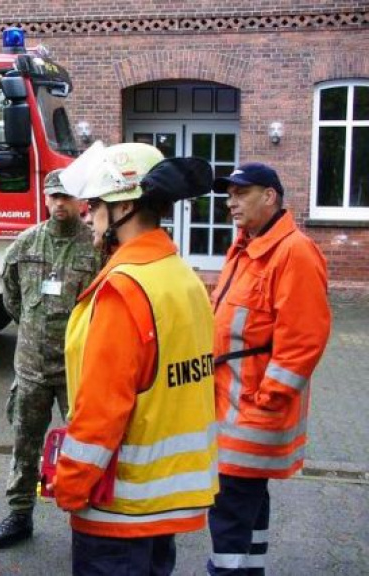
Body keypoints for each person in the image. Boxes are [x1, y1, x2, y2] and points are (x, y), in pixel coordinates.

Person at [54, 142, 219, 575]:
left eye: (95, 205)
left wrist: (70, 484)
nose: (87, 215)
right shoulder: (183, 278)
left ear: (124, 206)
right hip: (162, 502)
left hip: (117, 506)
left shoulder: (122, 291)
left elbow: (101, 411)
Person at [207, 163, 331, 575]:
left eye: (241, 193)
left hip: (251, 410)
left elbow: (304, 338)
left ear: (270, 196)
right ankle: (249, 569)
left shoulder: (294, 252)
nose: (231, 203)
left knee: (230, 507)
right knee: (249, 502)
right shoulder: (248, 246)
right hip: (235, 405)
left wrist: (269, 398)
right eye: (229, 195)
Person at [0, 169, 97, 549]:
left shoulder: (95, 247)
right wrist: (31, 327)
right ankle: (19, 515)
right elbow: (10, 293)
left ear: (80, 201)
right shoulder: (26, 243)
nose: (60, 203)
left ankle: (89, 520)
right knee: (24, 444)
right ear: (46, 199)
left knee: (84, 447)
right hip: (31, 366)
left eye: (67, 196)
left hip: (75, 369)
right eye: (54, 196)